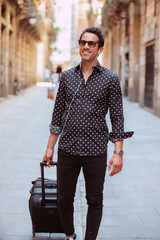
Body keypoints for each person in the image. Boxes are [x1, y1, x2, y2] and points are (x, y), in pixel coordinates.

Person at [43, 27, 134, 240]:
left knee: (94, 200)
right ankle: (70, 235)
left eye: (91, 43)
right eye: (83, 42)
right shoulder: (66, 77)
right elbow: (57, 116)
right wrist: (50, 148)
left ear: (99, 49)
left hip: (95, 150)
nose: (86, 46)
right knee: (64, 198)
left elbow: (117, 118)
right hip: (68, 149)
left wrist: (118, 153)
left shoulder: (110, 79)